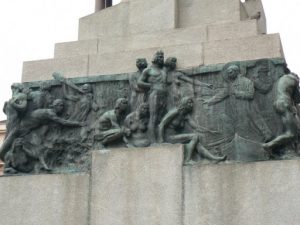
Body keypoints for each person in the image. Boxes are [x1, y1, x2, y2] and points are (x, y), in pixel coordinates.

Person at [0, 99, 83, 161]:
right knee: (9, 146)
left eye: (63, 106)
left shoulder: (49, 112)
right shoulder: (50, 113)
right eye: (60, 105)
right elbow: (63, 122)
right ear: (55, 106)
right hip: (21, 129)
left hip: (28, 129)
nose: (62, 108)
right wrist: (78, 124)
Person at [158, 97, 226, 164]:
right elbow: (161, 125)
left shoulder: (185, 115)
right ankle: (187, 160)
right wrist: (161, 141)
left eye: (192, 103)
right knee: (194, 136)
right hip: (168, 137)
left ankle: (213, 158)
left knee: (197, 143)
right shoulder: (175, 112)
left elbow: (196, 127)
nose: (191, 105)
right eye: (189, 103)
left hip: (175, 136)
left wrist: (210, 131)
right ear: (184, 103)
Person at [262, 73, 300, 154]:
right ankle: (268, 146)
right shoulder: (294, 80)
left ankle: (296, 150)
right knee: (291, 134)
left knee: (297, 129)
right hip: (286, 104)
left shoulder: (281, 79)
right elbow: (297, 99)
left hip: (279, 104)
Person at [138, 51, 168, 142]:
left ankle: (160, 138)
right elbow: (139, 82)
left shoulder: (163, 71)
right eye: (159, 57)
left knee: (161, 118)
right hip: (154, 94)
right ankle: (153, 141)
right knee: (153, 118)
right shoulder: (148, 70)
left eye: (162, 57)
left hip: (164, 95)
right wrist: (151, 86)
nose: (161, 58)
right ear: (154, 58)